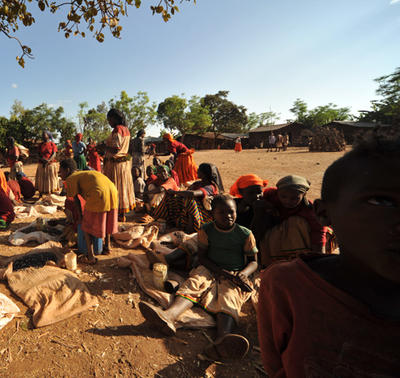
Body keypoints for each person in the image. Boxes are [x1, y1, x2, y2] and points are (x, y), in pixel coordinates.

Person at [257, 131, 400, 377]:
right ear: (324, 212)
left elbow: (318, 236)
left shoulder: (307, 221)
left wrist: (317, 252)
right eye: (382, 202)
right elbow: (277, 367)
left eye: (295, 197)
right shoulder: (286, 286)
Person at [140, 194, 259, 360]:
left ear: (236, 212)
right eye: (222, 213)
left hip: (234, 273)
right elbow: (202, 257)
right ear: (213, 214)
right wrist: (218, 271)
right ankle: (168, 316)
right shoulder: (206, 230)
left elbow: (254, 262)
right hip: (210, 267)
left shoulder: (245, 234)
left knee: (229, 296)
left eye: (231, 212)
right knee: (194, 283)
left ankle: (223, 338)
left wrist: (243, 274)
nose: (228, 216)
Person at [252, 175, 327, 267]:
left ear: (304, 195)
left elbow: (319, 233)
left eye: (294, 198)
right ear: (277, 192)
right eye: (283, 197)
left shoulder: (309, 210)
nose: (288, 201)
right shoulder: (270, 195)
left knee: (296, 221)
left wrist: (319, 260)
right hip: (272, 235)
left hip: (297, 238)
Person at [59, 159, 118, 264]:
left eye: (60, 171)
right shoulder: (82, 174)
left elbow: (75, 200)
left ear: (67, 170)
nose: (59, 174)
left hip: (98, 192)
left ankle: (90, 256)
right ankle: (107, 247)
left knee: (86, 225)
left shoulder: (70, 179)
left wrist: (81, 218)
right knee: (107, 218)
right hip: (112, 189)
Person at [151, 163, 223, 232]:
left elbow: (192, 193)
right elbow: (186, 192)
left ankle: (191, 228)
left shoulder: (210, 187)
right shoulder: (197, 183)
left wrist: (175, 192)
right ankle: (168, 220)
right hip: (191, 211)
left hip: (203, 216)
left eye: (199, 170)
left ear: (204, 174)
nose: (197, 171)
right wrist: (174, 194)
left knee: (189, 199)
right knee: (170, 196)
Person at [103, 109, 136, 218]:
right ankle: (121, 213)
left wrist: (103, 147)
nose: (109, 122)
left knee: (115, 188)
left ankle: (115, 214)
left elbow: (116, 149)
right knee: (122, 188)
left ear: (115, 118)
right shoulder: (126, 129)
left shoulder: (117, 129)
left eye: (109, 120)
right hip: (123, 165)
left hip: (115, 166)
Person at [35, 130, 60, 195]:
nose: (43, 136)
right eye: (42, 135)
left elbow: (54, 154)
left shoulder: (52, 144)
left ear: (48, 136)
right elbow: (38, 154)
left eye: (44, 134)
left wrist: (48, 160)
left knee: (50, 179)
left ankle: (50, 192)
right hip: (42, 164)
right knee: (42, 179)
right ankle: (41, 193)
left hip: (50, 164)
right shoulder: (40, 145)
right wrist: (42, 159)